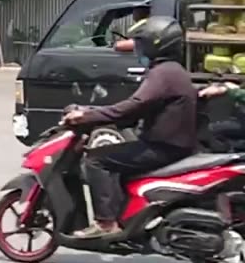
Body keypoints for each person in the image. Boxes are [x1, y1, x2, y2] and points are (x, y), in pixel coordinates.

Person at [64, 15, 198, 239]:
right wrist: (92, 113)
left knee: (96, 160)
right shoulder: (171, 70)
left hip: (163, 148)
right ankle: (127, 216)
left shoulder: (163, 73)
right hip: (172, 144)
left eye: (142, 44)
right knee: (117, 150)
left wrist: (88, 116)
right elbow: (136, 110)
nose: (138, 50)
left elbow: (130, 107)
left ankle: (106, 224)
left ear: (157, 46)